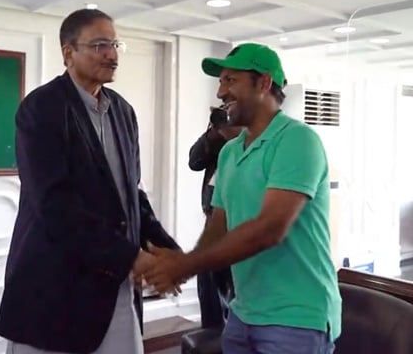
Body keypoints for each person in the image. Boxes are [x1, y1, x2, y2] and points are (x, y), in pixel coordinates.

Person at [0, 8, 181, 354]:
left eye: (114, 44)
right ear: (68, 53)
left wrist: (166, 248)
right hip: (54, 292)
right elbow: (55, 205)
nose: (111, 55)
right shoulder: (42, 109)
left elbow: (131, 194)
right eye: (99, 45)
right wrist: (131, 258)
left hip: (115, 292)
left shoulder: (123, 112)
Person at [144, 43, 341, 353]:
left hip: (297, 318)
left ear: (263, 83)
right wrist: (183, 263)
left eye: (231, 80)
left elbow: (269, 229)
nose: (221, 92)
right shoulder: (230, 152)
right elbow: (218, 225)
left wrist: (185, 265)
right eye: (221, 81)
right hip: (243, 313)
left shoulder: (297, 140)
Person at [188, 105, 240, 329]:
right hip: (214, 217)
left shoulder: (261, 137)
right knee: (208, 284)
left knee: (236, 287)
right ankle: (211, 335)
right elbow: (194, 161)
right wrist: (216, 130)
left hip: (242, 221)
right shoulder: (220, 139)